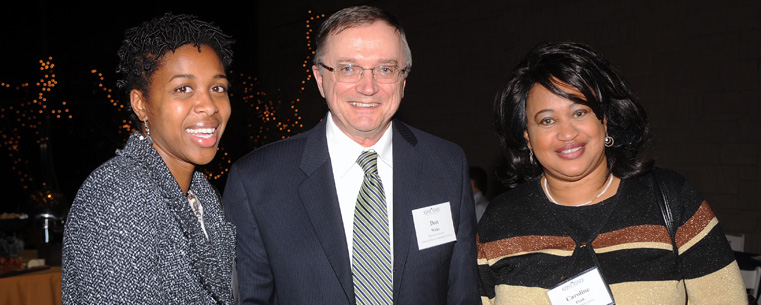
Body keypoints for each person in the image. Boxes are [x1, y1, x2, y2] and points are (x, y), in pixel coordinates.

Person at [223, 5, 479, 305]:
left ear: (403, 79)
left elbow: (462, 294)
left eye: (385, 69)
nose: (368, 87)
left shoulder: (446, 165)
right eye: (347, 68)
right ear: (320, 78)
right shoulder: (256, 181)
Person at [477, 41, 747, 304]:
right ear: (527, 138)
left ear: (604, 121)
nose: (567, 133)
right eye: (547, 120)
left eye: (580, 112)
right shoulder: (500, 220)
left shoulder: (673, 200)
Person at [62, 13, 237, 304]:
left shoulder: (199, 195)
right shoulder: (119, 196)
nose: (209, 105)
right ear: (141, 105)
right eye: (183, 89)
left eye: (217, 88)